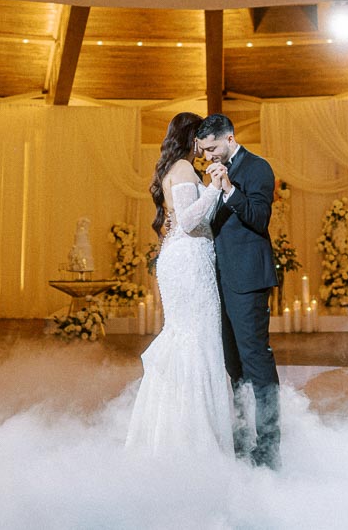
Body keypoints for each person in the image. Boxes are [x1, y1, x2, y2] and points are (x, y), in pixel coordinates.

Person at [127, 113, 233, 457]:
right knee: (198, 340)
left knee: (186, 337)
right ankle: (196, 442)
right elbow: (188, 221)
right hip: (189, 261)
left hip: (179, 259)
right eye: (201, 136)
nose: (204, 143)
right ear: (192, 137)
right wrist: (215, 187)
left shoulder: (174, 168)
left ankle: (169, 434)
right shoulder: (185, 169)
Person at [197, 113, 279, 468]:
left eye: (212, 148)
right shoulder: (213, 174)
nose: (208, 157)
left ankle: (270, 446)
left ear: (230, 138)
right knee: (234, 365)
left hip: (248, 280)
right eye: (203, 152)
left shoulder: (257, 168)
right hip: (220, 280)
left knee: (255, 360)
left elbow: (259, 219)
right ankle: (245, 438)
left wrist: (228, 188)